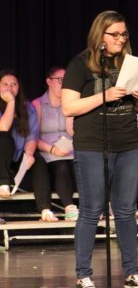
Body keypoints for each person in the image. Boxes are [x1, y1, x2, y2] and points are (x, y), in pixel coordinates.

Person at [62, 10, 138, 288]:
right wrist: (104, 96)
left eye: (124, 34)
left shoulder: (128, 62)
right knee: (91, 209)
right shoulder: (80, 64)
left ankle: (132, 273)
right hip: (92, 145)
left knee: (125, 209)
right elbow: (69, 107)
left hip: (127, 142)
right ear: (100, 36)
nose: (121, 39)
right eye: (115, 34)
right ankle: (83, 274)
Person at [0, 69, 56, 222]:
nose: (10, 88)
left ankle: (45, 209)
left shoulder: (28, 107)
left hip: (15, 158)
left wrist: (29, 154)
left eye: (14, 84)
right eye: (5, 84)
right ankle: (3, 183)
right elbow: (3, 128)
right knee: (4, 138)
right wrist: (10, 102)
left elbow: (32, 137)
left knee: (38, 160)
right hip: (0, 159)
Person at [32, 67, 79, 221]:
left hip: (70, 150)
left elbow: (72, 132)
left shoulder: (71, 103)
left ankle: (95, 208)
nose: (64, 84)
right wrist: (52, 149)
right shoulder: (38, 104)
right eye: (60, 80)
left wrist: (67, 108)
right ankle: (69, 207)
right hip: (48, 152)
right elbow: (32, 137)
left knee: (83, 166)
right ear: (49, 81)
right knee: (61, 166)